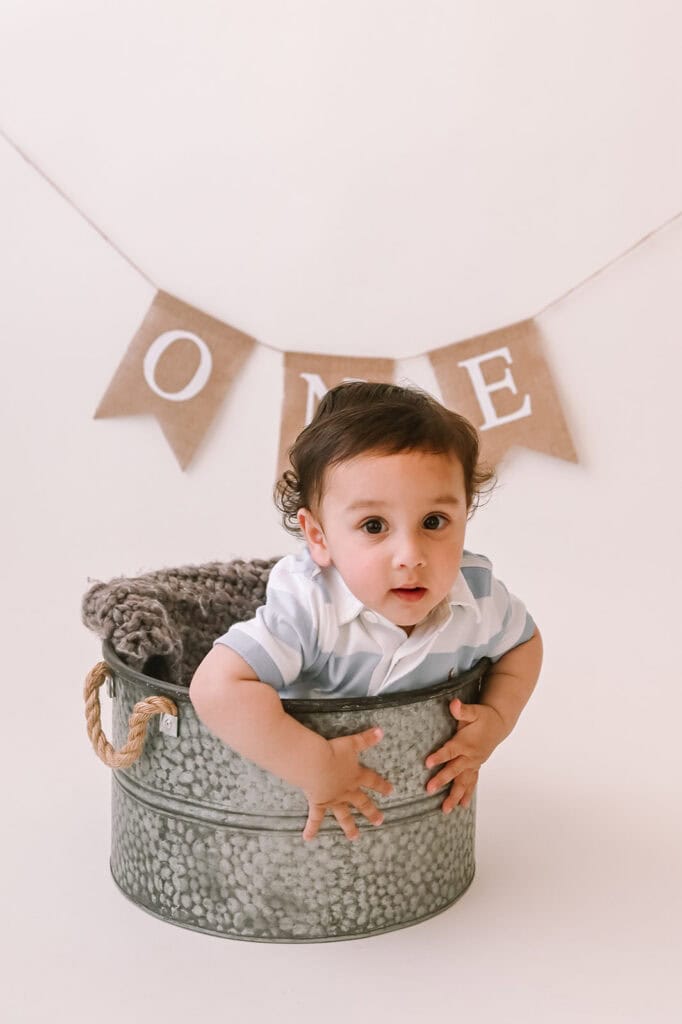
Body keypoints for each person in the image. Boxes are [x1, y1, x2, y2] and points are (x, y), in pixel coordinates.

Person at [190, 381, 542, 842]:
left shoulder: (475, 594)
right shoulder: (310, 606)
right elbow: (215, 688)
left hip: (421, 820)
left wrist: (496, 719)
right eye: (374, 526)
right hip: (298, 814)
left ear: (464, 514)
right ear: (319, 537)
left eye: (434, 522)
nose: (410, 554)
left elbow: (524, 644)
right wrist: (314, 764)